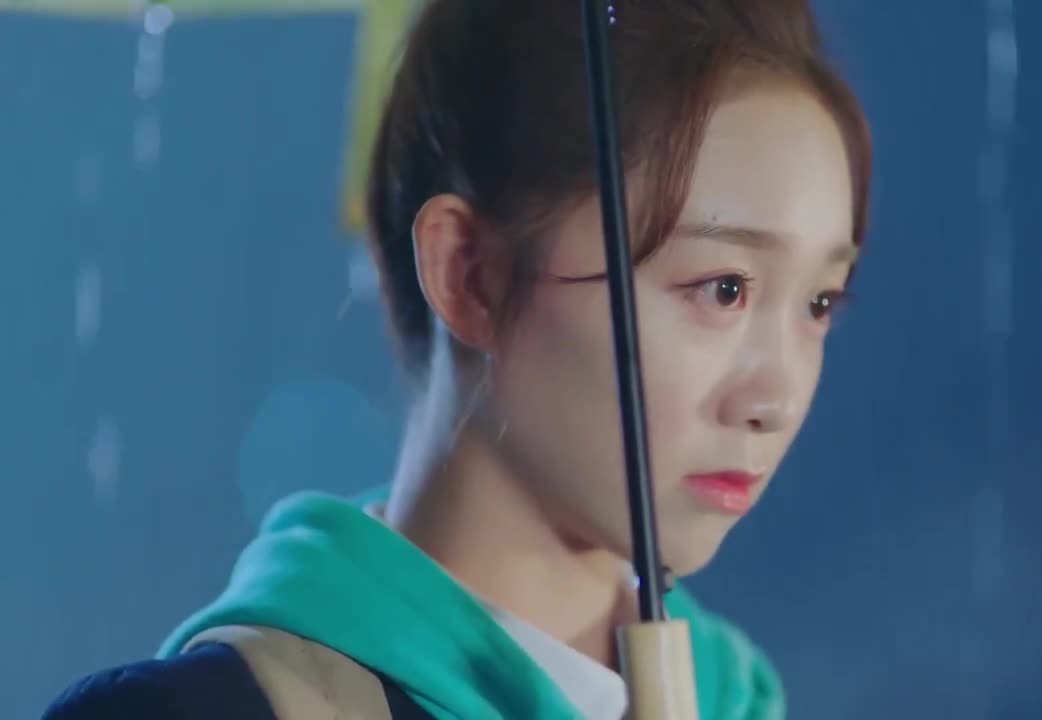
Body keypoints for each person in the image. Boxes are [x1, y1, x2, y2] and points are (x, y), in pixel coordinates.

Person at [43, 0, 871, 717]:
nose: (777, 398)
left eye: (820, 302)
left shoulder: (738, 699)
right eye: (724, 288)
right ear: (468, 274)